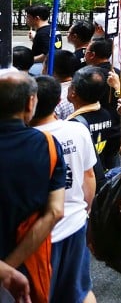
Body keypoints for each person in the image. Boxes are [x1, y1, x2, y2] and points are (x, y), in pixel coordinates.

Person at [0, 69, 66, 303]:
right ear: (30, 103)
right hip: (27, 264)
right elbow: (56, 211)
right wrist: (8, 268)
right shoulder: (48, 145)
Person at [31, 76, 96, 303]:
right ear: (59, 100)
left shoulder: (28, 140)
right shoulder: (78, 130)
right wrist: (86, 212)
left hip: (38, 231)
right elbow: (89, 176)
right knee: (80, 290)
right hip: (76, 222)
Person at [26, 4, 61, 73]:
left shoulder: (43, 34)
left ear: (36, 18)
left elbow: (47, 55)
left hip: (42, 68)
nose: (27, 19)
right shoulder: (53, 29)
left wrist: (28, 60)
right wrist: (35, 39)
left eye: (28, 17)